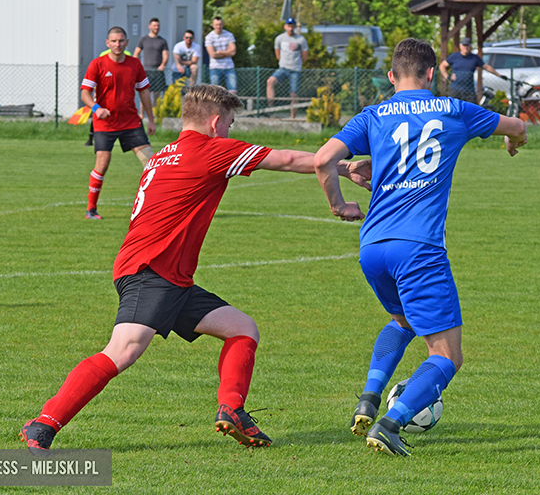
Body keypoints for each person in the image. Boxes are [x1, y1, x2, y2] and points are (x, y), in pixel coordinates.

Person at [20, 84, 371, 453]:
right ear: (216, 123)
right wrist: (343, 168)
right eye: (231, 124)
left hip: (167, 276)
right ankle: (43, 425)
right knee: (123, 349)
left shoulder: (162, 155)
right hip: (150, 270)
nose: (232, 132)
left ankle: (233, 409)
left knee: (241, 329)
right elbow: (284, 159)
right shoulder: (210, 149)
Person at [314, 38, 527, 456]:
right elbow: (518, 126)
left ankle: (369, 399)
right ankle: (391, 425)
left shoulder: (373, 116)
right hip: (419, 249)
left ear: (392, 76)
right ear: (433, 74)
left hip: (373, 247)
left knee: (404, 322)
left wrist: (340, 204)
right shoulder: (454, 110)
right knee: (447, 355)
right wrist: (512, 142)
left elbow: (323, 160)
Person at [81, 26, 156, 220]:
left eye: (121, 41)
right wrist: (97, 109)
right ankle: (91, 208)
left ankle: (156, 208)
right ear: (107, 43)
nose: (117, 44)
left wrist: (150, 119)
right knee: (103, 163)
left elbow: (144, 92)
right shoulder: (97, 64)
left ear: (127, 43)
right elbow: (85, 93)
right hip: (104, 124)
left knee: (151, 163)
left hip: (131, 122)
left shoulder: (135, 64)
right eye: (113, 41)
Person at [438, 37, 505, 103]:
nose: (466, 47)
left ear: (470, 47)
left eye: (467, 45)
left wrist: (499, 75)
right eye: (464, 45)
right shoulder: (454, 56)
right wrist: (447, 76)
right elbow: (442, 66)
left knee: (472, 110)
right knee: (453, 111)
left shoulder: (475, 58)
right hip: (455, 89)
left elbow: (486, 67)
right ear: (460, 46)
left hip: (469, 91)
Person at [267, 18, 308, 119]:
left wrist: (296, 64)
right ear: (285, 27)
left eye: (292, 26)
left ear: (294, 27)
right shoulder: (279, 38)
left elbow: (304, 56)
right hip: (283, 68)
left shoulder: (300, 40)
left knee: (293, 93)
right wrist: (283, 62)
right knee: (270, 81)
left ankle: (293, 116)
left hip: (295, 70)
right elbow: (278, 54)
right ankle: (269, 109)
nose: (290, 28)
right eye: (288, 26)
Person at [133, 18, 170, 113]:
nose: (156, 27)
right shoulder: (143, 40)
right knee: (145, 93)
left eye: (158, 26)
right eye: (154, 26)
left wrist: (162, 65)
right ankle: (141, 114)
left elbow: (166, 55)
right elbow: (136, 53)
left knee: (156, 95)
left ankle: (153, 115)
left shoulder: (162, 41)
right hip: (146, 71)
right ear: (150, 26)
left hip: (158, 71)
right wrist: (138, 66)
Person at [205, 17, 237, 93]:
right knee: (215, 92)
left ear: (223, 24)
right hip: (215, 67)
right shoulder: (209, 37)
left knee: (233, 90)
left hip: (229, 66)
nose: (218, 27)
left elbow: (233, 51)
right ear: (213, 25)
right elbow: (212, 54)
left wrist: (219, 52)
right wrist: (227, 53)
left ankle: (232, 105)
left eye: (220, 24)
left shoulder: (229, 35)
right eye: (216, 25)